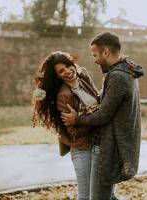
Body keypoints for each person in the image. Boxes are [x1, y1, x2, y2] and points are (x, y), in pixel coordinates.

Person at [61, 32, 144, 200]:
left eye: (95, 55)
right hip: (109, 144)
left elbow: (103, 116)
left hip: (108, 147)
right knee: (107, 196)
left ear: (106, 52)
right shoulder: (126, 71)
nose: (94, 59)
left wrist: (76, 119)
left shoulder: (118, 76)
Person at [32, 51, 100, 200]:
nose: (67, 72)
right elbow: (73, 132)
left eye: (68, 66)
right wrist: (87, 119)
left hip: (97, 144)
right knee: (85, 195)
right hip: (81, 147)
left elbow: (96, 99)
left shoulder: (83, 76)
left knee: (100, 193)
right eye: (61, 71)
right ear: (57, 76)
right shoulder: (63, 96)